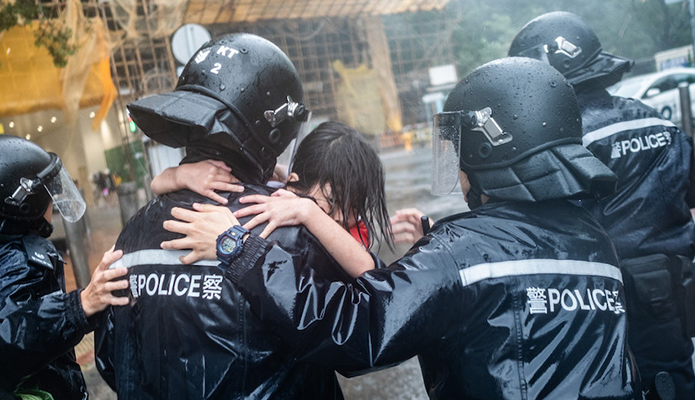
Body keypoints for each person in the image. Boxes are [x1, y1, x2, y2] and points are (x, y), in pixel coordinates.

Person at [162, 57, 642, 399]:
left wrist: (237, 246)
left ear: (488, 153)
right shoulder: (594, 239)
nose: (456, 173)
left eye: (459, 157)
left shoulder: (460, 253)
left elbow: (362, 329)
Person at [93, 33, 354, 399]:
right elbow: (353, 337)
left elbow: (112, 360)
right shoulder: (285, 225)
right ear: (274, 132)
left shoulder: (132, 232)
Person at [508, 12, 695, 400]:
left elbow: (540, 231)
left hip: (596, 299)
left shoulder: (562, 146)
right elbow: (690, 197)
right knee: (673, 383)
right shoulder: (662, 125)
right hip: (669, 291)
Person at [0, 135, 128, 399]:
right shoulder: (22, 259)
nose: (51, 202)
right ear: (25, 202)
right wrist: (80, 304)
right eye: (47, 193)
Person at [152, 120, 392, 277]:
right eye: (334, 201)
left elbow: (367, 269)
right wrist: (181, 174)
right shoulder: (275, 191)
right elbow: (156, 184)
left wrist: (308, 211)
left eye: (354, 205)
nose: (342, 216)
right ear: (293, 181)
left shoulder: (342, 229)